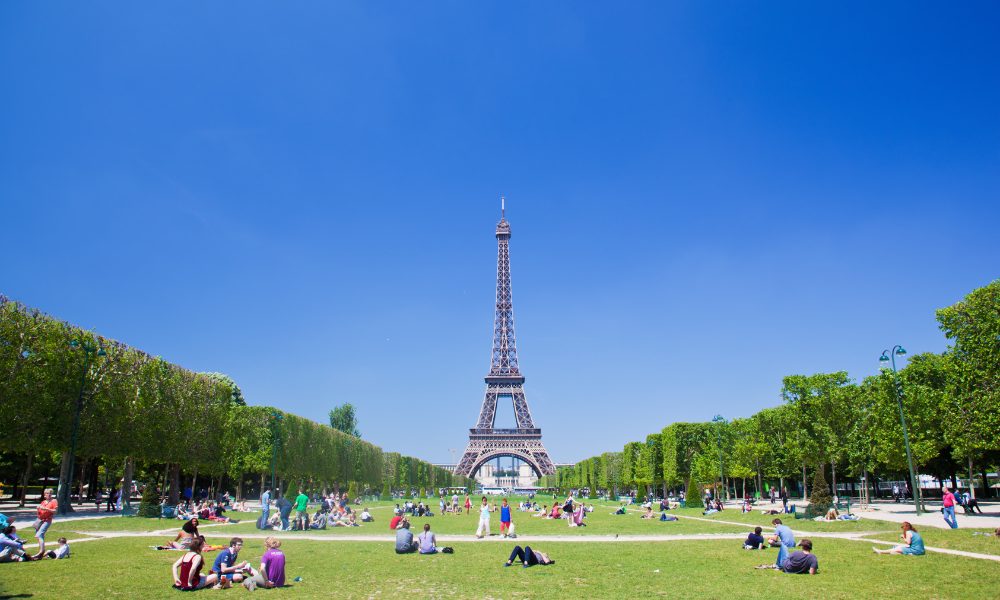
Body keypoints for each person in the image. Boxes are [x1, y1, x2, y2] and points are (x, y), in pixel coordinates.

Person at [32, 487, 58, 560]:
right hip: (40, 520)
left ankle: (41, 551)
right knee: (40, 536)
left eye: (50, 493)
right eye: (47, 493)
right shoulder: (43, 502)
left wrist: (46, 509)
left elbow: (55, 511)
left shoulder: (54, 501)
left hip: (47, 520)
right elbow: (39, 512)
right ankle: (41, 552)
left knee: (39, 535)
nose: (49, 494)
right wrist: (38, 509)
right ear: (44, 495)